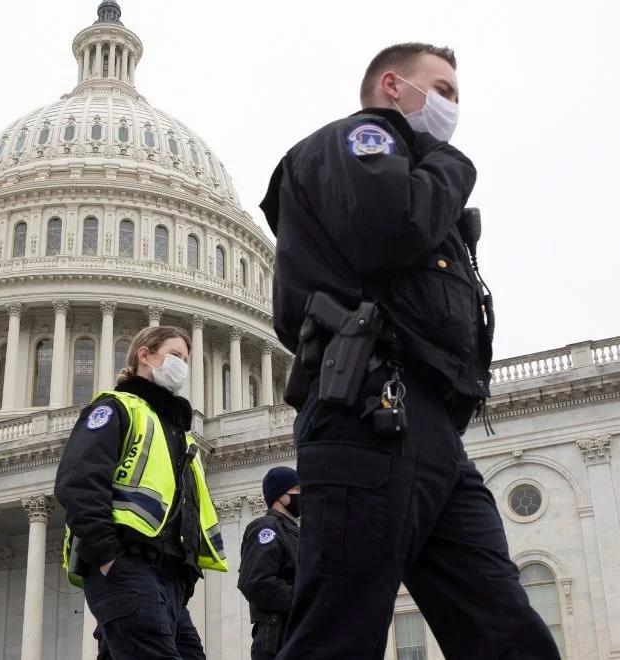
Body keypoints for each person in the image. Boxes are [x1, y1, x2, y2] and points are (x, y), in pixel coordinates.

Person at [259, 43, 561, 658]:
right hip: (369, 412)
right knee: (338, 633)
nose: (452, 107)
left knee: (504, 628)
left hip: (430, 430)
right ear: (393, 86)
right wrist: (451, 163)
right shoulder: (359, 141)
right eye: (443, 90)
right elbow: (390, 231)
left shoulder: (409, 167)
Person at [55, 325, 228, 659]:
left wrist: (185, 578)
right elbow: (78, 484)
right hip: (127, 566)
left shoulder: (181, 435)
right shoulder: (116, 408)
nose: (182, 366)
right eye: (175, 355)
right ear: (145, 355)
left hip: (169, 581)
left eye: (186, 360)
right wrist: (108, 559)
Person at [238, 467, 300, 660]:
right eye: (297, 489)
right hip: (278, 639)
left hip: (299, 635)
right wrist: (304, 599)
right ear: (279, 495)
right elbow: (256, 582)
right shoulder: (266, 528)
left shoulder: (297, 533)